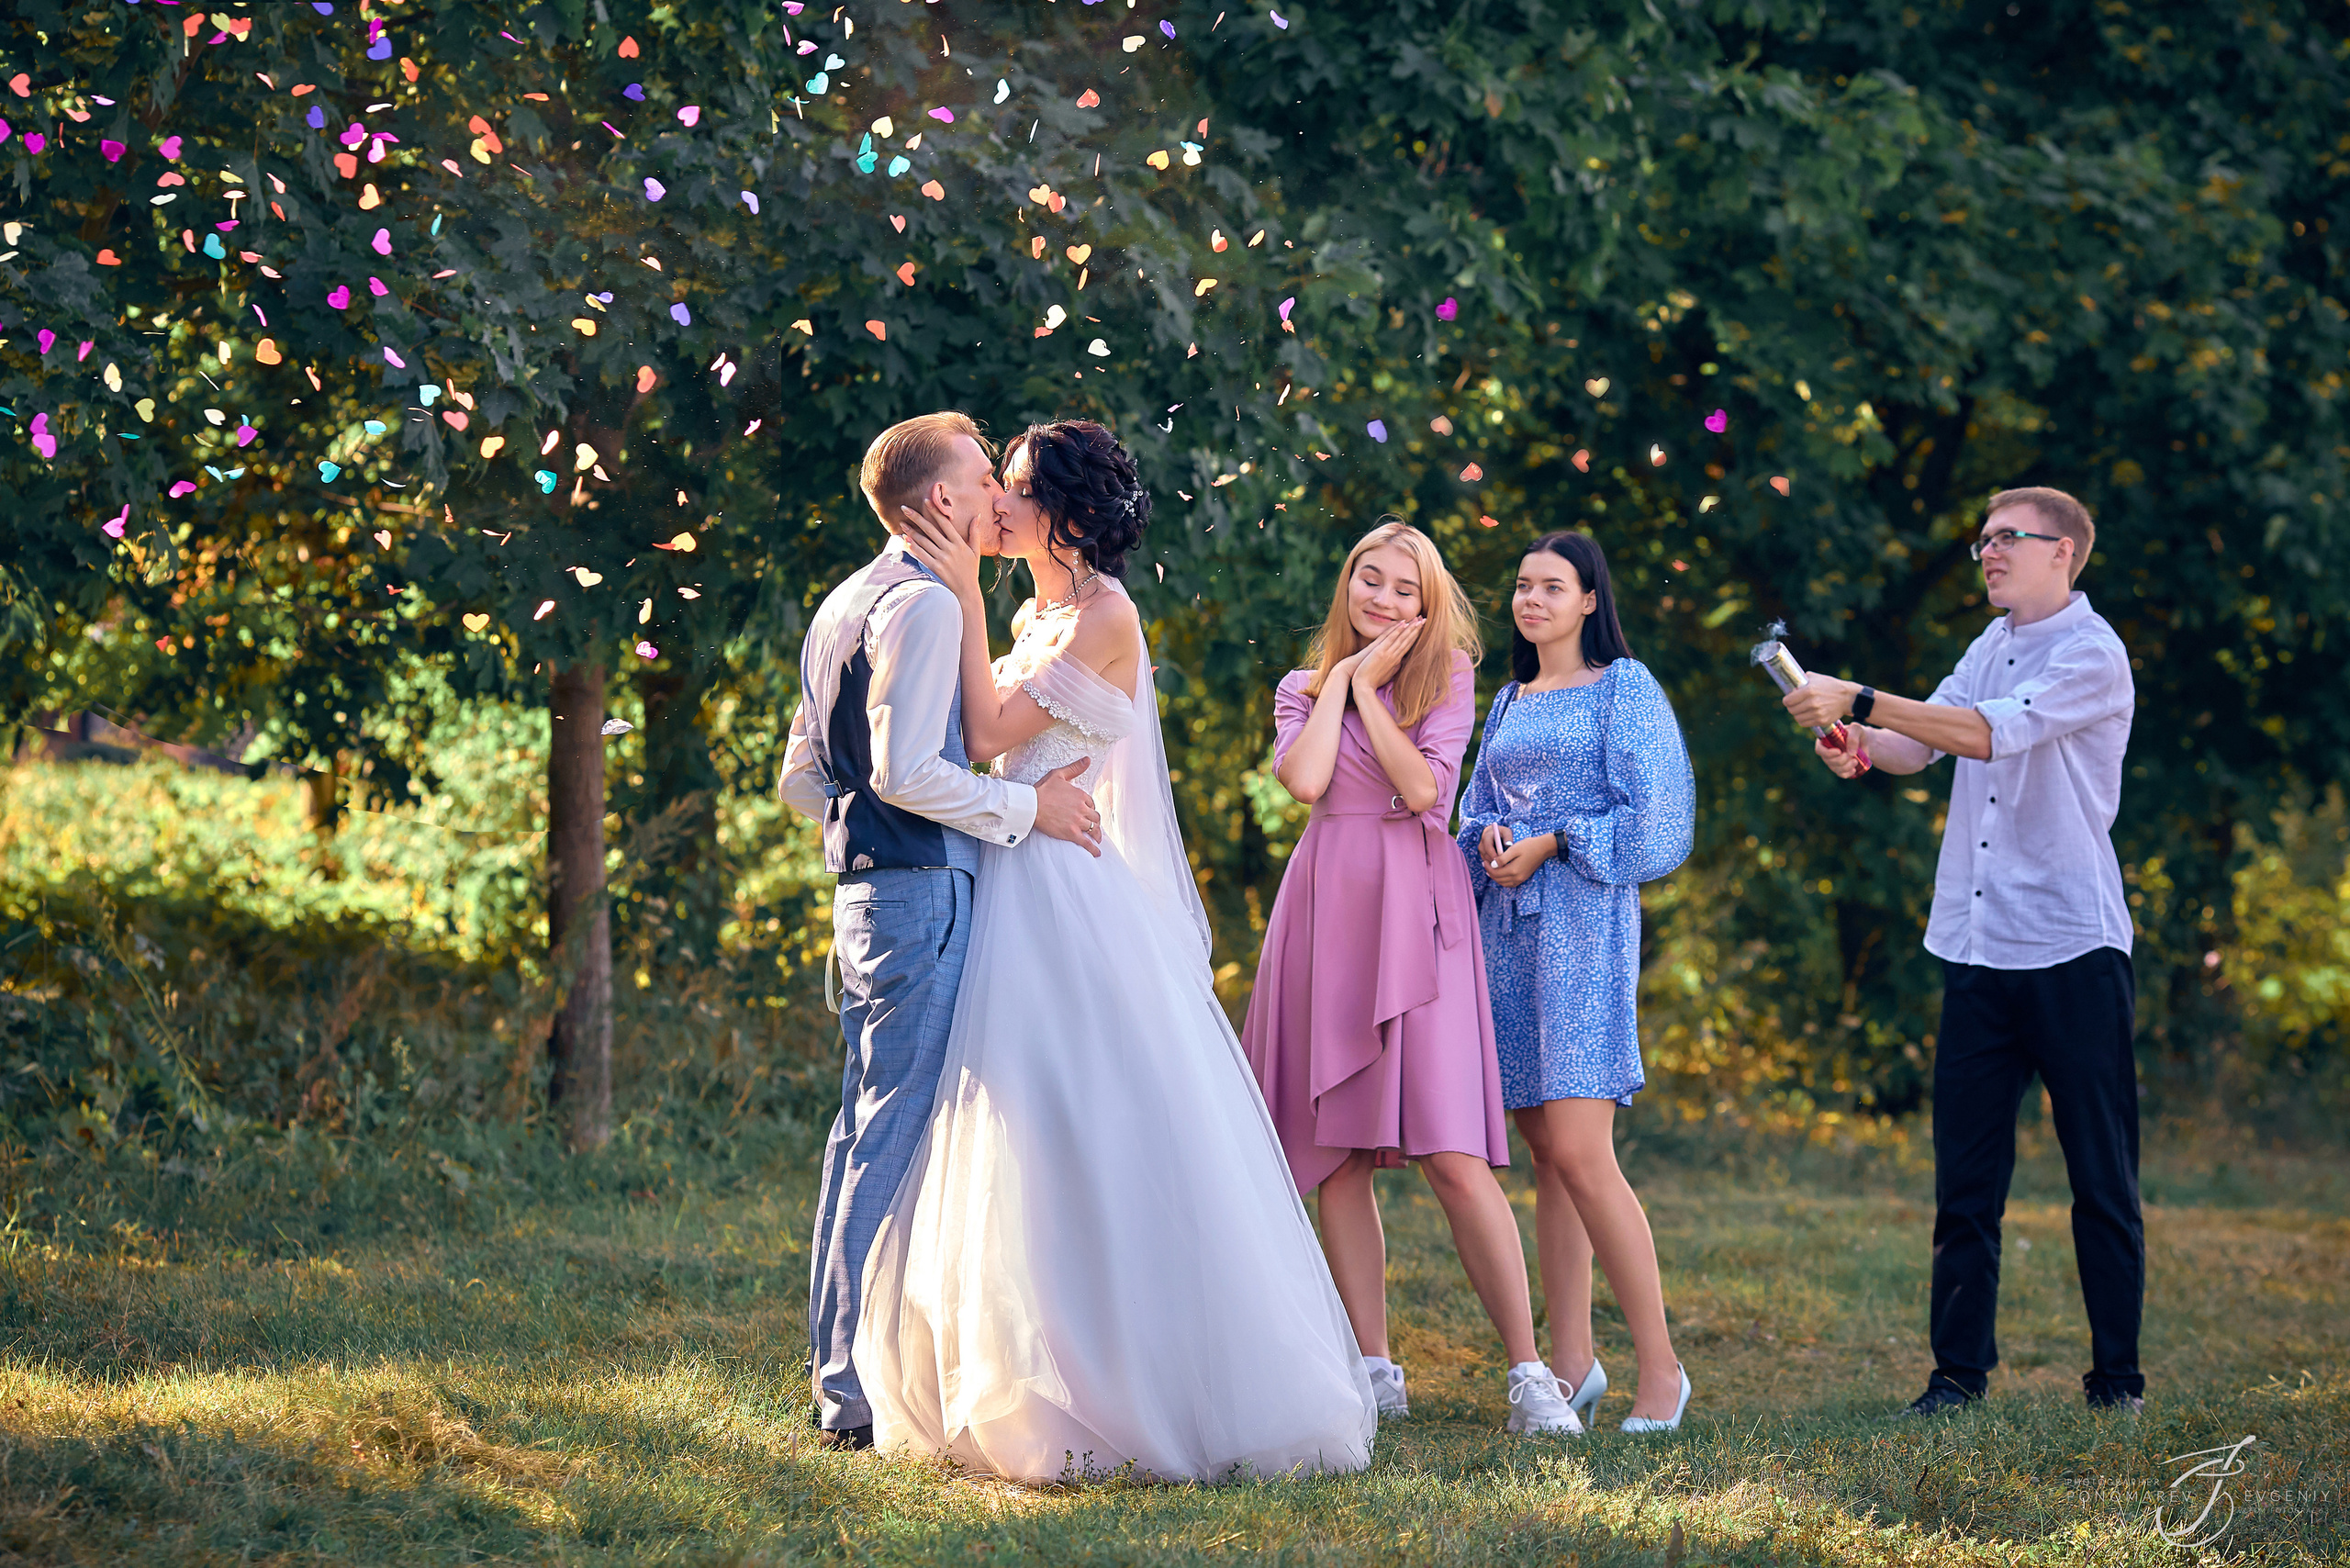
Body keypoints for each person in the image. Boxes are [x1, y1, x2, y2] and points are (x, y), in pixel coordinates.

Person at [856, 420, 1378, 1484]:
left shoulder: (1106, 615)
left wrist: (955, 589)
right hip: (1015, 864)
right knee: (1020, 1131)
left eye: (1011, 488)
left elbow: (995, 728)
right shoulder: (1029, 606)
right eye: (992, 485)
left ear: (1066, 514)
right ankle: (1026, 1368)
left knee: (1089, 1122)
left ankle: (1135, 1380)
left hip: (1068, 892)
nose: (992, 504)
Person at [777, 411, 1103, 1452]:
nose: (994, 497)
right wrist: (1028, 811)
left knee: (861, 1132)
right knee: (890, 1134)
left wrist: (853, 844)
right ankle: (852, 1392)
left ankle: (844, 1366)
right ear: (944, 502)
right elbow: (906, 771)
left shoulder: (846, 599)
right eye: (979, 476)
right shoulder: (919, 605)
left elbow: (801, 776)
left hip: (869, 892)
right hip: (920, 892)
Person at [1785, 486, 2143, 1417]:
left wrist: (1862, 694)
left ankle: (2116, 1383)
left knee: (2100, 1177)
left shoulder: (2091, 653)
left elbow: (1986, 733)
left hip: (2071, 946)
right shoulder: (1987, 647)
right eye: (1981, 537)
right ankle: (1955, 1379)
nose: (1986, 551)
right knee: (1966, 1186)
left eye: (2006, 537)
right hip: (1977, 949)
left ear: (2063, 551)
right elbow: (1919, 745)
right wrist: (1858, 738)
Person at [1241, 519, 1583, 1437]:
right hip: (1325, 912)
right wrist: (1344, 685)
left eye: (1404, 588)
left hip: (1418, 915)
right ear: (1346, 584)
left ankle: (1529, 1374)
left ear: (1427, 604)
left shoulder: (1449, 677)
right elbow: (1307, 781)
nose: (1383, 599)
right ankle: (1373, 1364)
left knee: (1451, 1154)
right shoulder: (1302, 686)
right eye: (1369, 579)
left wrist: (1372, 701)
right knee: (1338, 1157)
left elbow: (1427, 792)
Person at [1458, 530, 1696, 1433]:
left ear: (1590, 600)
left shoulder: (1622, 690)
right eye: (1522, 586)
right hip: (1506, 936)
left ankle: (1662, 1372)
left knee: (1585, 1153)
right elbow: (1477, 799)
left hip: (1584, 929)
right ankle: (1570, 1365)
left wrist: (1556, 840)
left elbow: (1659, 820)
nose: (1532, 600)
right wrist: (1485, 837)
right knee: (1546, 1158)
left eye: (1552, 587)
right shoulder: (1512, 696)